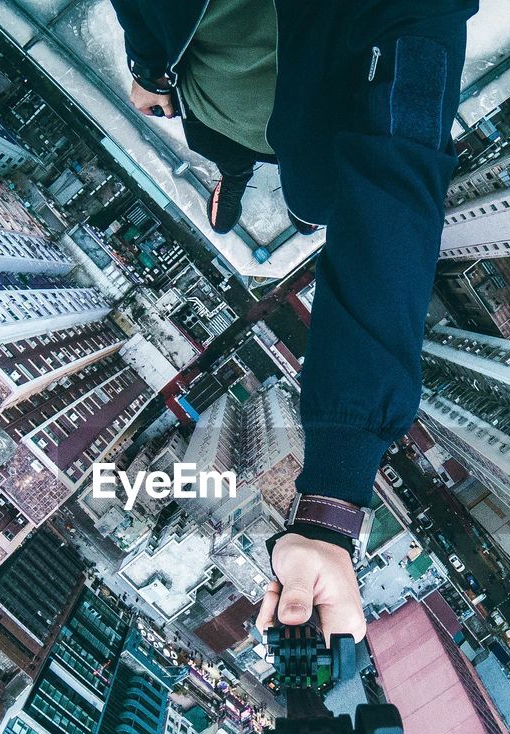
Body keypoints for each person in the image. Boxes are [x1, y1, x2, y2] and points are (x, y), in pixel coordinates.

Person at [108, 0, 478, 641]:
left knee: (317, 189)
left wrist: (332, 505)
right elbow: (398, 182)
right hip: (235, 76)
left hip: (304, 94)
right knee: (259, 157)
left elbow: (393, 192)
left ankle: (271, 178)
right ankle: (236, 171)